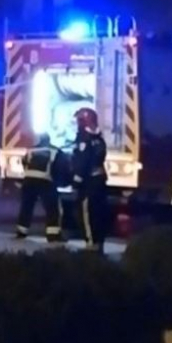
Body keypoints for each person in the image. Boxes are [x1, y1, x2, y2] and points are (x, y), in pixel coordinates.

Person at [72, 107, 109, 254]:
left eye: (78, 121)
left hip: (88, 184)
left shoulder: (84, 140)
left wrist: (76, 182)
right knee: (99, 213)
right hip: (99, 182)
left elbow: (82, 162)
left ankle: (91, 245)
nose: (77, 124)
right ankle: (99, 244)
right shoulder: (99, 139)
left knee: (87, 214)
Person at [16, 133, 64, 242]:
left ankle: (21, 232)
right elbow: (60, 167)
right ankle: (53, 235)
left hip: (28, 180)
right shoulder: (55, 151)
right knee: (52, 207)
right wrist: (57, 181)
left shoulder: (31, 150)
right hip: (45, 181)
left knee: (26, 207)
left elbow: (24, 162)